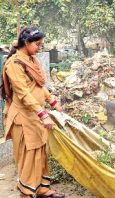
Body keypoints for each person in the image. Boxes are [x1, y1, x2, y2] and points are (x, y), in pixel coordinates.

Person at [2, 27, 65, 198]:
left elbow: (38, 87)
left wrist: (53, 102)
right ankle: (26, 194)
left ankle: (42, 188)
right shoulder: (14, 64)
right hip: (23, 117)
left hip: (36, 115)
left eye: (41, 44)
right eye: (37, 44)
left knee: (40, 153)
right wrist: (43, 114)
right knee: (28, 157)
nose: (40, 47)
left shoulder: (32, 60)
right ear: (26, 43)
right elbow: (23, 93)